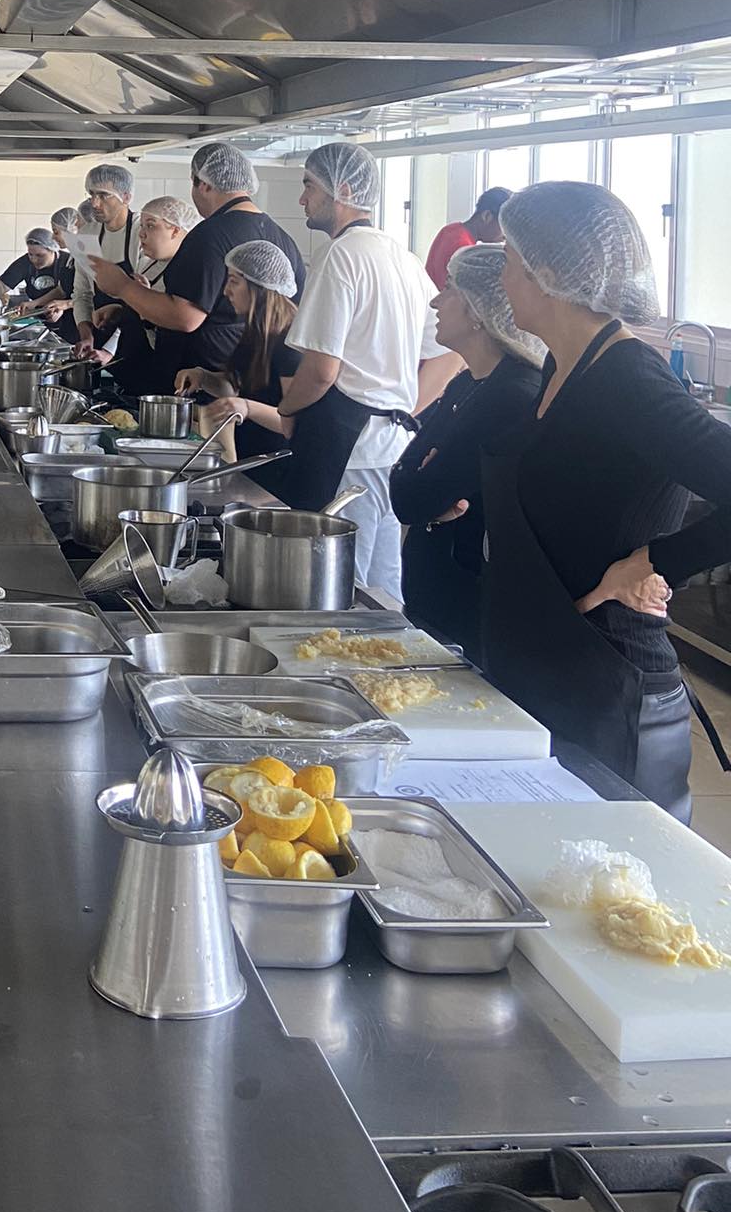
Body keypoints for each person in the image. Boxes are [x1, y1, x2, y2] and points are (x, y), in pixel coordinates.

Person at [481, 181, 731, 820]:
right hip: (548, 664)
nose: (501, 278)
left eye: (509, 260)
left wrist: (656, 562)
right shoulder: (562, 364)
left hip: (607, 679)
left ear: (549, 274)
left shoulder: (628, 379)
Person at [282, 142, 454, 599]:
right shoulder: (403, 257)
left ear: (341, 189)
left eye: (309, 186)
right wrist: (404, 406)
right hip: (392, 447)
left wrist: (286, 409)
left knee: (333, 586)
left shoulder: (340, 256)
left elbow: (321, 370)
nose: (302, 198)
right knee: (382, 587)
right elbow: (449, 354)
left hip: (345, 449)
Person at [388, 244, 544, 657]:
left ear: (479, 310)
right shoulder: (466, 383)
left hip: (468, 609)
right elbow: (403, 481)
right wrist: (426, 484)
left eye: (450, 288)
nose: (436, 301)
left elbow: (414, 498)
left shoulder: (512, 396)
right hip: (434, 600)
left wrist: (426, 485)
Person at [89, 144, 304, 396]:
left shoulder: (210, 235)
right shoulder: (283, 238)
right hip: (244, 383)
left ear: (203, 184)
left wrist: (123, 287)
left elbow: (185, 316)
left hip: (200, 386)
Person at [177, 239, 303, 463]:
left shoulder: (289, 342)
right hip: (252, 457)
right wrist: (203, 377)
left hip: (278, 461)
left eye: (234, 281)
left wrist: (247, 407)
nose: (226, 291)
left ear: (259, 288)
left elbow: (293, 422)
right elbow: (236, 386)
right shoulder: (256, 332)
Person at [93, 196, 198, 381]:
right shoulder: (150, 264)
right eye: (141, 226)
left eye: (150, 226)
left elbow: (170, 336)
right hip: (132, 369)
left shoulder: (187, 274)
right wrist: (120, 311)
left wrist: (144, 312)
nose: (141, 234)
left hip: (163, 376)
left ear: (175, 230)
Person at [71, 165, 140, 357]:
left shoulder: (141, 232)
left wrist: (110, 350)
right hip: (99, 339)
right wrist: (86, 335)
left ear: (126, 197)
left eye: (103, 195)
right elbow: (82, 294)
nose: (94, 203)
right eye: (92, 195)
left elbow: (146, 298)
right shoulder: (87, 234)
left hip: (138, 339)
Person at [425, 187, 512, 289]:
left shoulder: (451, 229)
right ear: (487, 216)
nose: (505, 236)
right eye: (504, 227)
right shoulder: (463, 249)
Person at [0, 228, 74, 319]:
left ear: (52, 250)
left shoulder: (68, 263)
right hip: (37, 315)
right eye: (30, 254)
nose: (34, 259)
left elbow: (62, 292)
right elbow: (1, 285)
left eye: (40, 255)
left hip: (69, 316)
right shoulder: (25, 262)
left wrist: (34, 303)